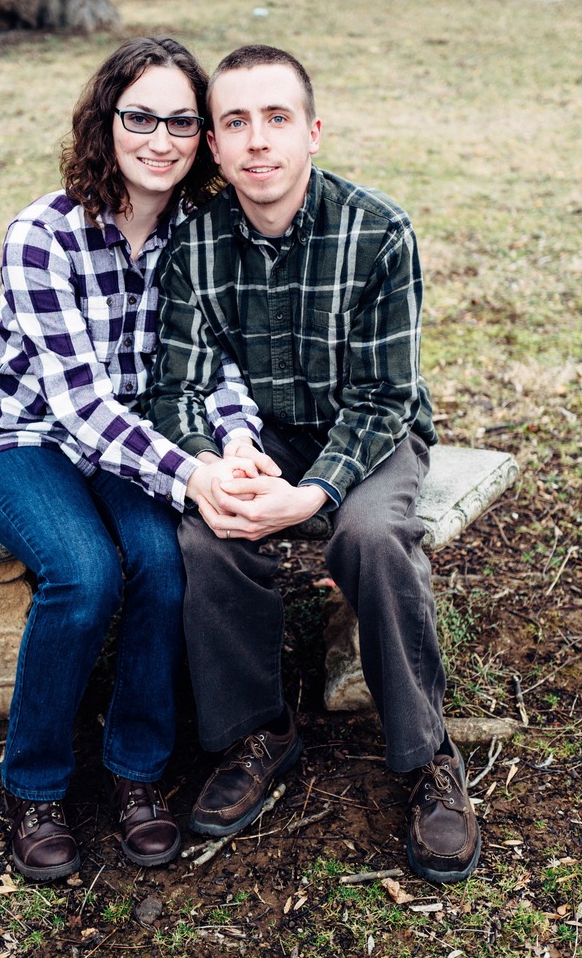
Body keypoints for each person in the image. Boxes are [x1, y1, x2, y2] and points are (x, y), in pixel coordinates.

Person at [148, 45, 482, 885]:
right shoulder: (195, 244)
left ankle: (425, 755)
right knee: (208, 533)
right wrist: (221, 463)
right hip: (258, 435)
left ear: (313, 132)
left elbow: (383, 399)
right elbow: (177, 388)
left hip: (367, 432)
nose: (257, 142)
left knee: (371, 534)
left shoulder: (379, 231)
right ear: (214, 149)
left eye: (277, 119)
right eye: (235, 123)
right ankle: (260, 730)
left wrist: (311, 496)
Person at [0, 37, 260, 882]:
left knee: (162, 564)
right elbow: (79, 408)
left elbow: (215, 363)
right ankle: (37, 786)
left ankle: (135, 773)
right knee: (85, 573)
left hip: (133, 443)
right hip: (21, 437)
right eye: (140, 118)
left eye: (181, 122)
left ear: (201, 136)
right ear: (106, 122)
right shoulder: (42, 235)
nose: (160, 139)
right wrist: (193, 475)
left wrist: (235, 441)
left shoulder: (197, 234)